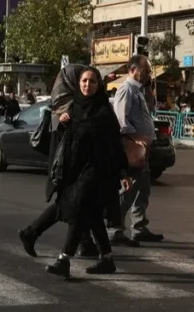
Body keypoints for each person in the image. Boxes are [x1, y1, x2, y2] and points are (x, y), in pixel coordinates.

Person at [43, 67, 128, 278]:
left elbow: (115, 144)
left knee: (78, 211)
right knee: (92, 216)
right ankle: (107, 259)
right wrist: (64, 123)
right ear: (78, 84)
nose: (87, 85)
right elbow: (70, 138)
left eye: (92, 81)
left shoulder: (104, 111)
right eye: (84, 81)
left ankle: (64, 259)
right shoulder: (75, 107)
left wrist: (123, 171)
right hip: (77, 170)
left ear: (98, 85)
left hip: (98, 171)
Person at [18, 65, 101, 259]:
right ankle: (35, 235)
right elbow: (65, 138)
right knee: (68, 205)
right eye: (82, 79)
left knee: (78, 205)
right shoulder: (67, 107)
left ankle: (84, 243)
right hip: (70, 166)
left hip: (73, 165)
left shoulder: (63, 104)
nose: (85, 83)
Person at [111, 55, 163, 245]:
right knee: (128, 190)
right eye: (145, 71)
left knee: (143, 189)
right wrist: (136, 137)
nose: (148, 74)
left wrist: (149, 88)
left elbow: (151, 108)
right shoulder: (126, 90)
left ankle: (139, 227)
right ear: (133, 70)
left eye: (149, 71)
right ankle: (114, 229)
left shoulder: (139, 90)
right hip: (133, 148)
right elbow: (121, 121)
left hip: (144, 149)